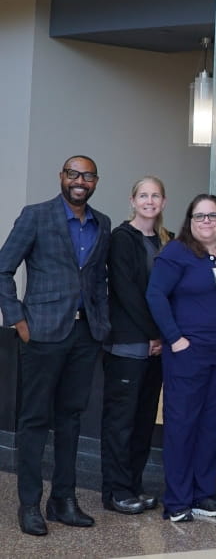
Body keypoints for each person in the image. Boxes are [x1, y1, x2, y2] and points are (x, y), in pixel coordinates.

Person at [0, 155, 112, 537]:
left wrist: (102, 321)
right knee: (33, 420)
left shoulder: (103, 223)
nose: (80, 181)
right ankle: (29, 504)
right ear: (62, 177)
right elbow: (3, 268)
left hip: (84, 337)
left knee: (71, 418)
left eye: (88, 176)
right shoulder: (35, 215)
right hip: (42, 333)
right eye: (73, 174)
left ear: (96, 182)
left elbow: (97, 279)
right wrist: (17, 319)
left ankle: (63, 499)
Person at [146, 194, 216, 523]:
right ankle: (177, 501)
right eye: (199, 216)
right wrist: (174, 339)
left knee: (212, 425)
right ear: (189, 221)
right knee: (182, 425)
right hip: (187, 357)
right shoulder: (176, 252)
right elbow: (155, 295)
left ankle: (203, 495)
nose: (206, 222)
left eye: (212, 216)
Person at [101, 175, 171, 516]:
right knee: (121, 422)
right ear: (132, 201)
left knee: (143, 421)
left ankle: (134, 485)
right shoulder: (121, 238)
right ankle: (116, 491)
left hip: (157, 348)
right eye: (143, 195)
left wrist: (162, 336)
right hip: (129, 345)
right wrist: (155, 334)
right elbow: (127, 293)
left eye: (155, 195)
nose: (149, 201)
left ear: (163, 202)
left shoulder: (166, 240)